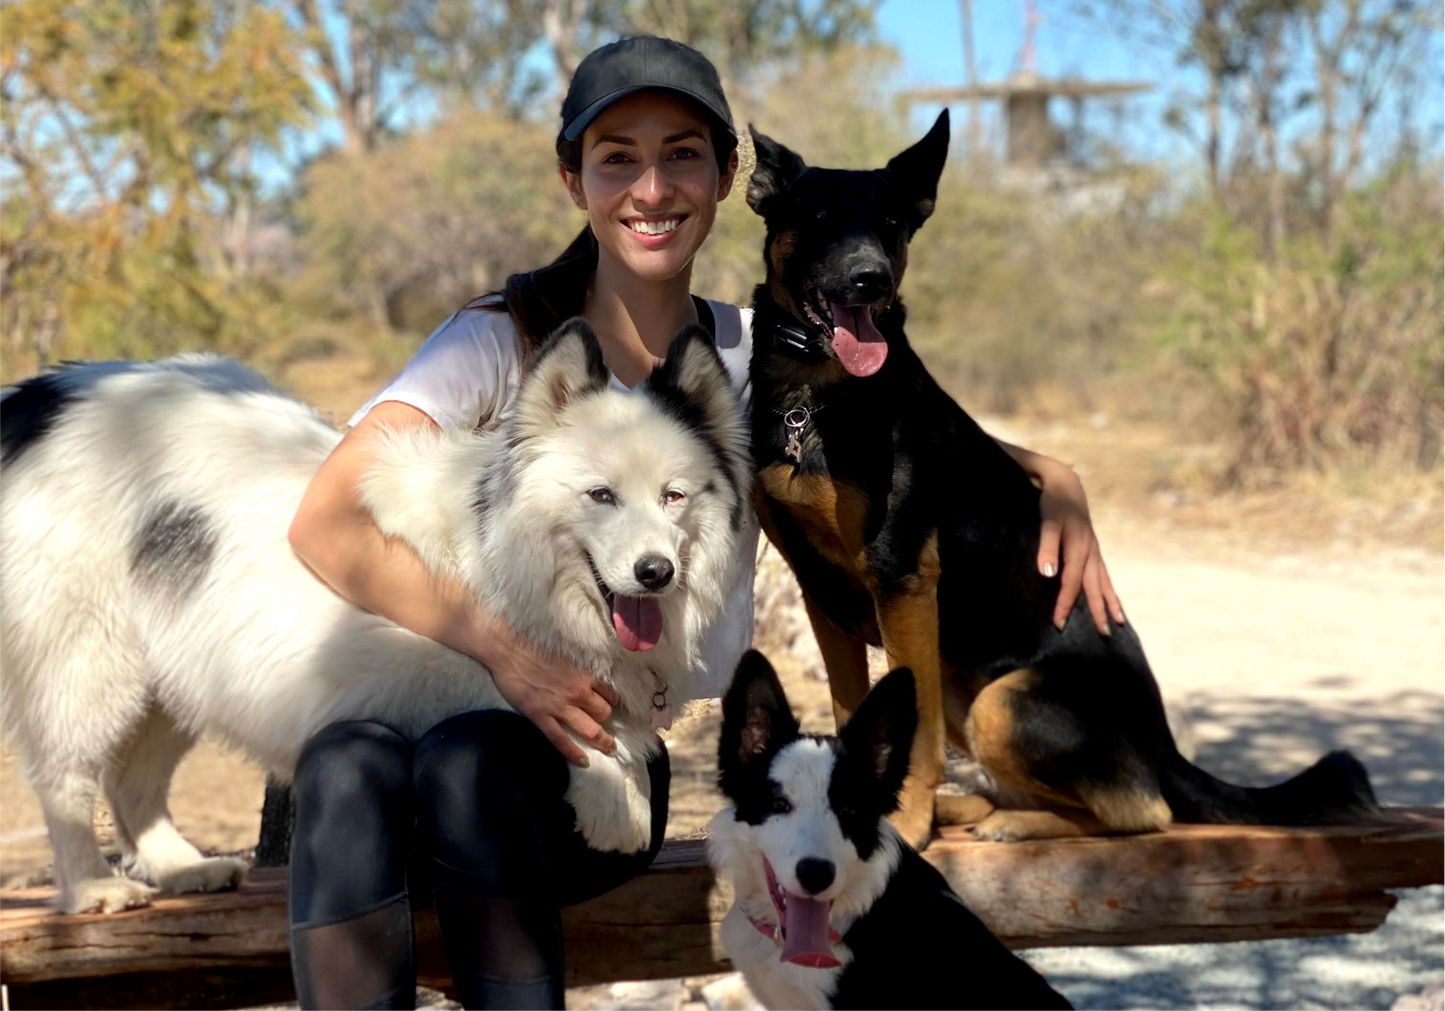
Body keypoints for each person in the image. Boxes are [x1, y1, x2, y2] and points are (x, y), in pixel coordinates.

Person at [284, 35, 1125, 1011]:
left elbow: (890, 451)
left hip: (591, 773)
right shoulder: (502, 342)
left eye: (681, 152)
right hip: (428, 746)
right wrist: (506, 655)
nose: (651, 187)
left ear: (727, 174)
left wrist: (1044, 473)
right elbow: (324, 518)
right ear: (573, 178)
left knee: (467, 767)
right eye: (617, 156)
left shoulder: (752, 362)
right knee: (348, 758)